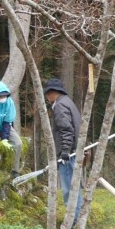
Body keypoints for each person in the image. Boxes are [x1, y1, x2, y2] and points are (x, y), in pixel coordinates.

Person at [43, 78, 82, 220]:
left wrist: (65, 150)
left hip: (68, 155)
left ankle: (72, 223)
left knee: (70, 191)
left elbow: (66, 129)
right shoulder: (68, 102)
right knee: (74, 189)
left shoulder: (60, 105)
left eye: (48, 94)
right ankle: (75, 221)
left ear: (52, 93)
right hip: (73, 151)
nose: (47, 97)